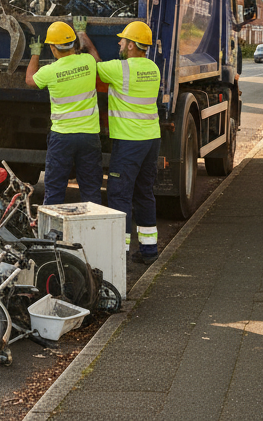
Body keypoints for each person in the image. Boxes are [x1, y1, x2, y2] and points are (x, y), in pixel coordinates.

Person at [90, 21, 162, 263]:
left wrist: (85, 40)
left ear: (131, 46)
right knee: (144, 193)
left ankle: (119, 254)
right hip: (151, 140)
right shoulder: (153, 68)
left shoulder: (121, 69)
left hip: (129, 142)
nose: (119, 43)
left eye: (123, 40)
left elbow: (95, 67)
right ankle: (149, 250)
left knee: (120, 195)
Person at [26, 17, 101, 205]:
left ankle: (52, 233)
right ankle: (92, 232)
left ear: (52, 48)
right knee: (91, 188)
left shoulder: (49, 71)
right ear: (74, 43)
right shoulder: (88, 62)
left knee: (54, 189)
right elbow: (95, 56)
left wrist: (35, 53)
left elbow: (30, 80)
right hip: (89, 136)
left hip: (62, 138)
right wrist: (83, 32)